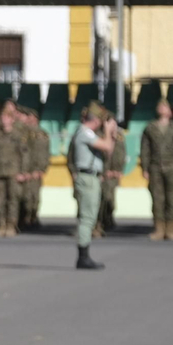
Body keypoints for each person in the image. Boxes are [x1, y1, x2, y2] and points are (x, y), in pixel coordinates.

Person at [69, 104, 118, 270]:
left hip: (92, 177)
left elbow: (108, 150)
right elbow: (107, 146)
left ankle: (84, 255)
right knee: (87, 218)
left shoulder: (88, 133)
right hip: (87, 177)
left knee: (90, 216)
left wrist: (111, 135)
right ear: (96, 120)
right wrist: (108, 131)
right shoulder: (85, 133)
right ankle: (83, 257)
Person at [138, 100, 173, 240]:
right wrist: (145, 168)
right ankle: (159, 228)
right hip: (155, 167)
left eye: (165, 106)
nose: (162, 108)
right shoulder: (150, 128)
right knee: (157, 199)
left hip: (172, 167)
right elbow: (145, 149)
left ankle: (171, 229)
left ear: (169, 111)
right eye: (160, 106)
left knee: (172, 199)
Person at [0, 102, 26, 237]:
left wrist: (22, 172)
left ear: (12, 119)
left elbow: (24, 154)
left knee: (12, 200)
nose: (4, 120)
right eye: (2, 117)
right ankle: (1, 224)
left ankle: (11, 225)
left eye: (7, 117)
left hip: (13, 172)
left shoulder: (17, 135)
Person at [99, 109, 127, 236]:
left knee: (110, 197)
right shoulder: (100, 136)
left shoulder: (119, 136)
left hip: (114, 173)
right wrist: (105, 171)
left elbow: (122, 154)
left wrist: (119, 170)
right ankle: (101, 221)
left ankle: (108, 218)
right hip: (104, 173)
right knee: (103, 197)